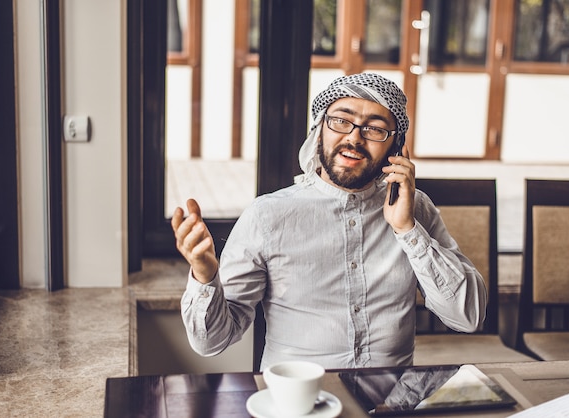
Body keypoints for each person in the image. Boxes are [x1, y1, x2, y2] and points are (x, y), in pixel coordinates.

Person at [172, 72, 487, 371]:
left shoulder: (414, 208)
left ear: (395, 145)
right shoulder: (267, 216)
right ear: (319, 129)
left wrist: (408, 230)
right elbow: (212, 342)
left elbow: (468, 317)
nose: (354, 137)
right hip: (296, 405)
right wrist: (204, 274)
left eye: (375, 128)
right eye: (341, 121)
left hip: (389, 404)